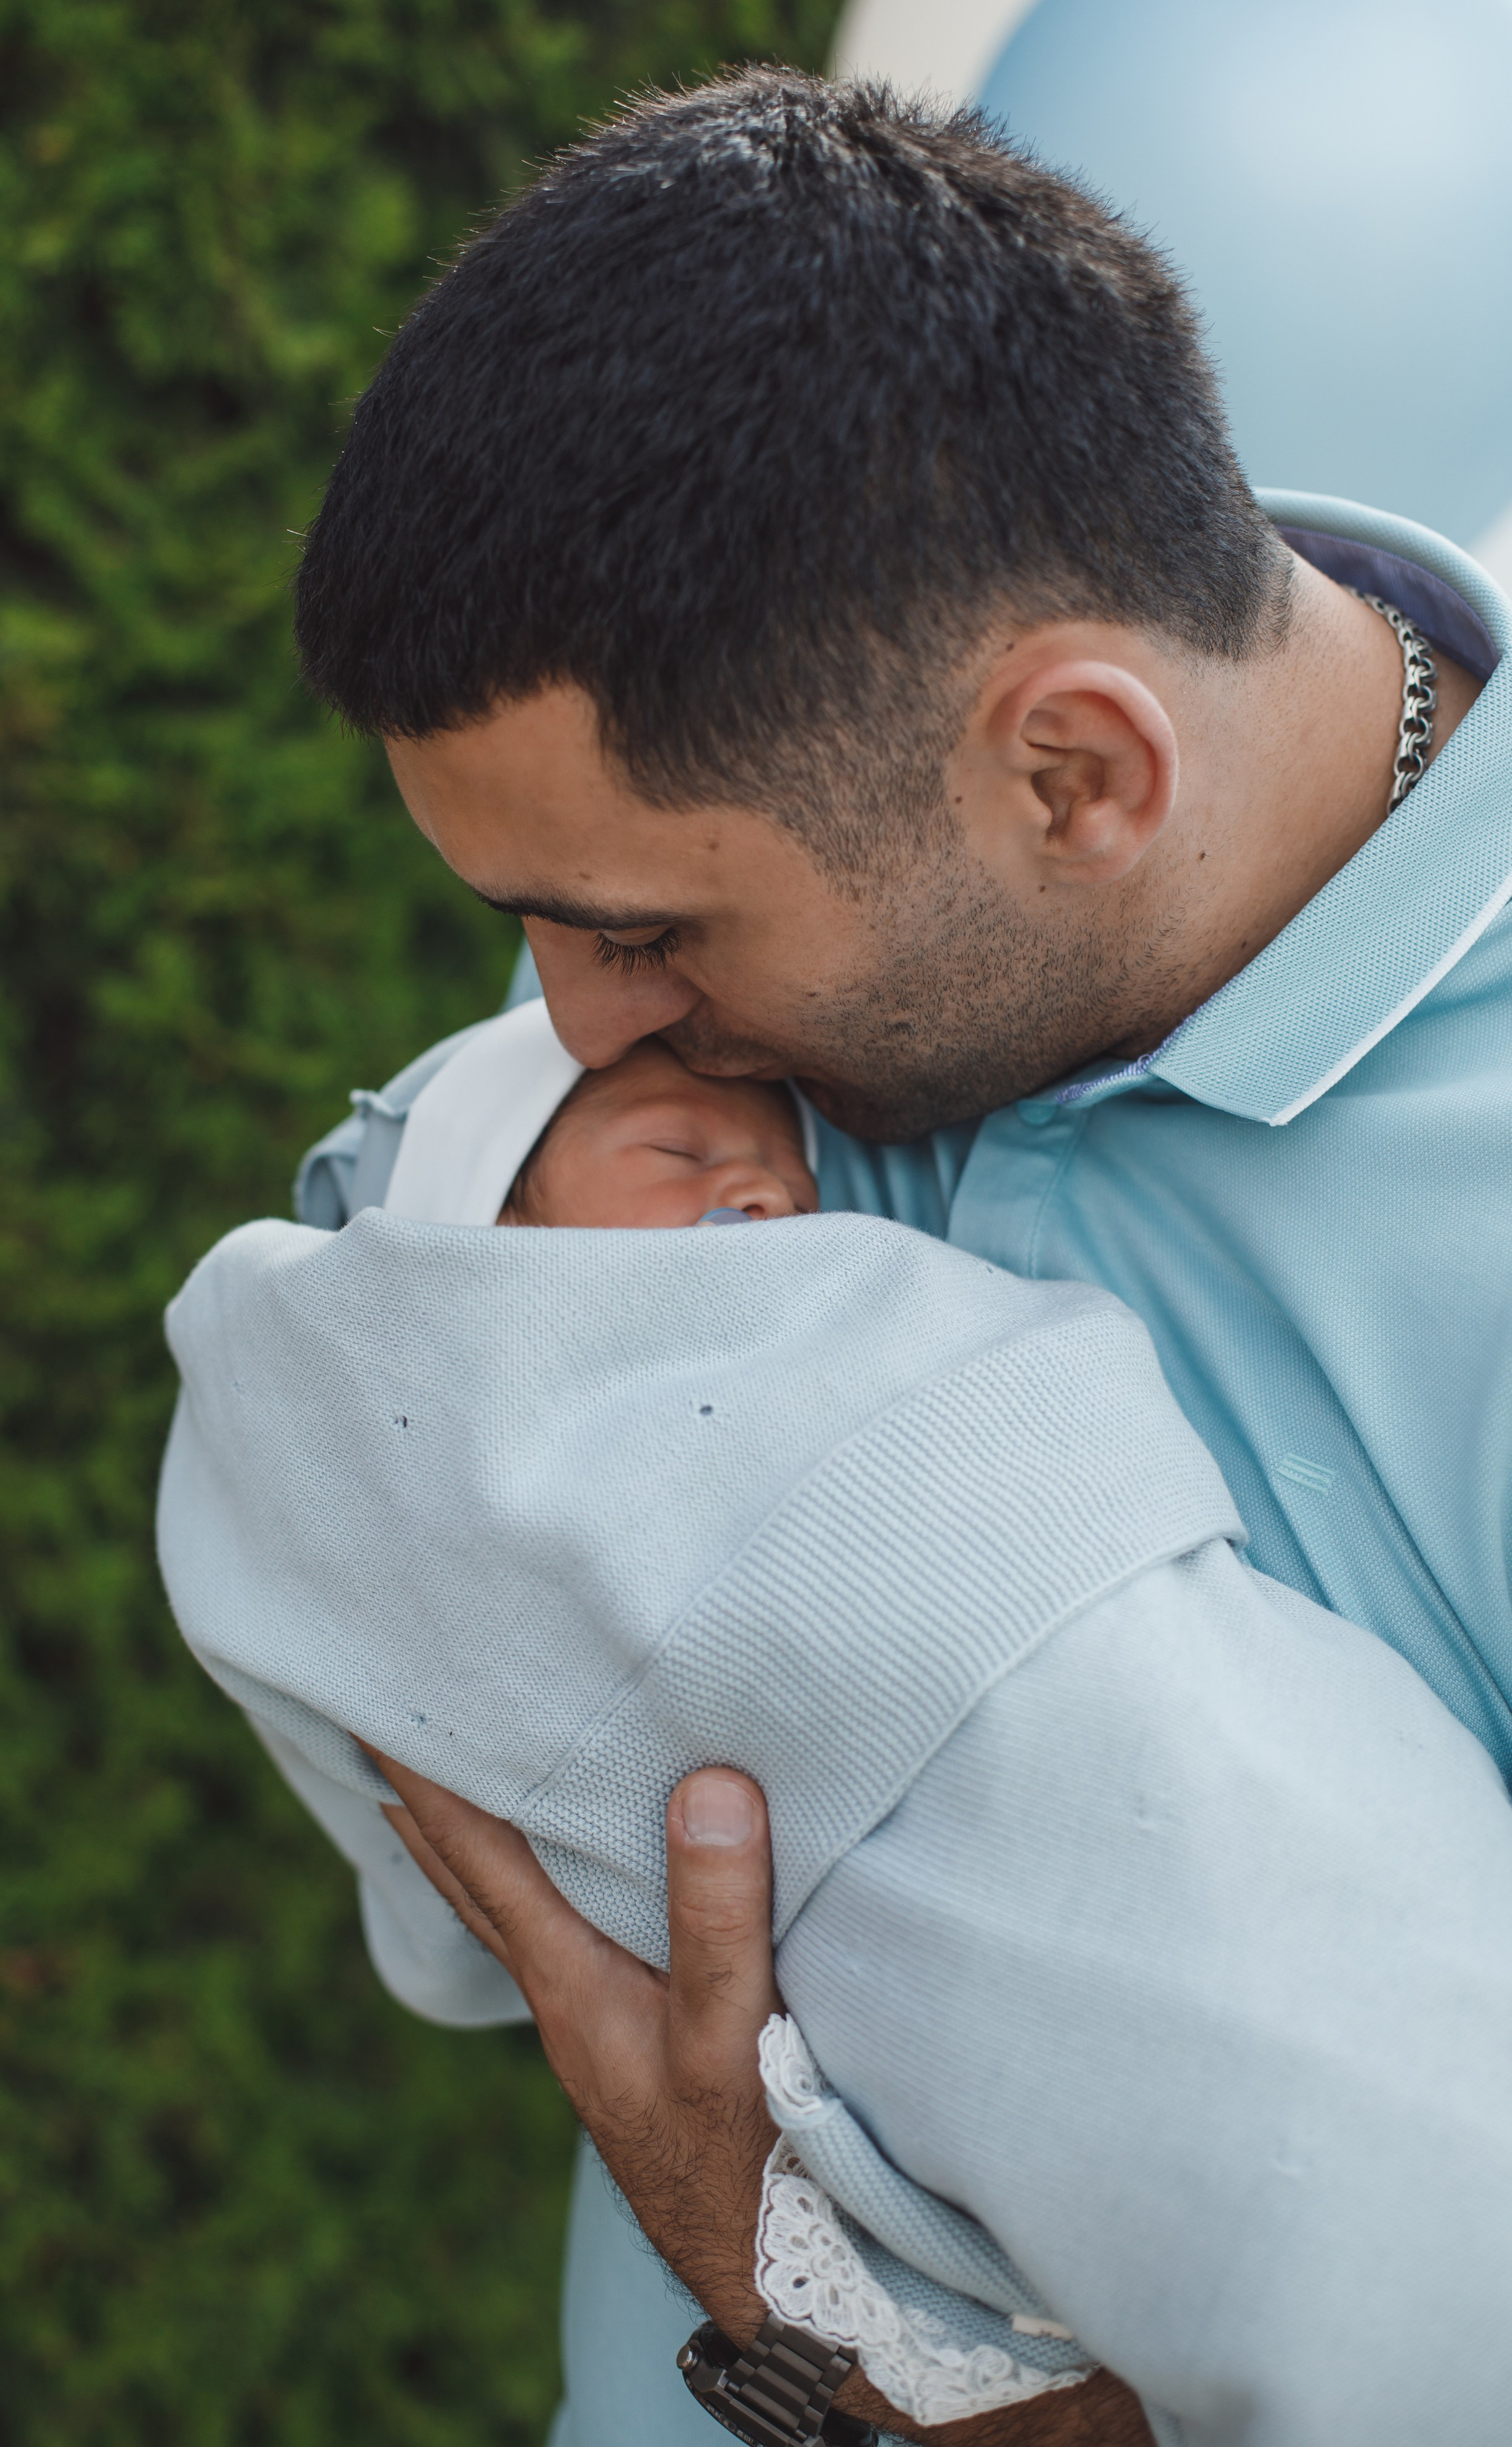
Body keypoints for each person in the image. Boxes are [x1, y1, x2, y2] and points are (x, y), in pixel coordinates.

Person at [280, 67, 1512, 2444]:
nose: (562, 1024)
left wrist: (794, 2298)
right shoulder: (732, 1066)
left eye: (635, 929)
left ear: (1078, 777)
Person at [160, 996, 1512, 2447]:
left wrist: (801, 2297)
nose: (759, 1189)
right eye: (679, 1150)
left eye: (779, 1176)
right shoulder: (646, 970)